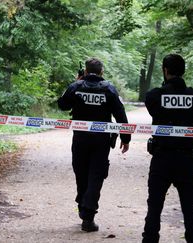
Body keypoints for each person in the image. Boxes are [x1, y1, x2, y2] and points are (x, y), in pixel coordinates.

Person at [58, 58, 131, 232]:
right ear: (101, 72)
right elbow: (121, 115)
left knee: (81, 174)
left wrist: (75, 84)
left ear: (85, 70)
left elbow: (62, 105)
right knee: (96, 176)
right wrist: (125, 138)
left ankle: (84, 207)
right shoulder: (109, 89)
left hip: (80, 140)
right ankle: (88, 215)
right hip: (101, 141)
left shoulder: (76, 87)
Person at [142, 54, 193, 243]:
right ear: (183, 71)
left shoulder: (154, 95)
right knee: (189, 205)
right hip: (185, 158)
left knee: (155, 205)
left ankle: (150, 239)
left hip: (162, 157)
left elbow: (153, 108)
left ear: (165, 70)